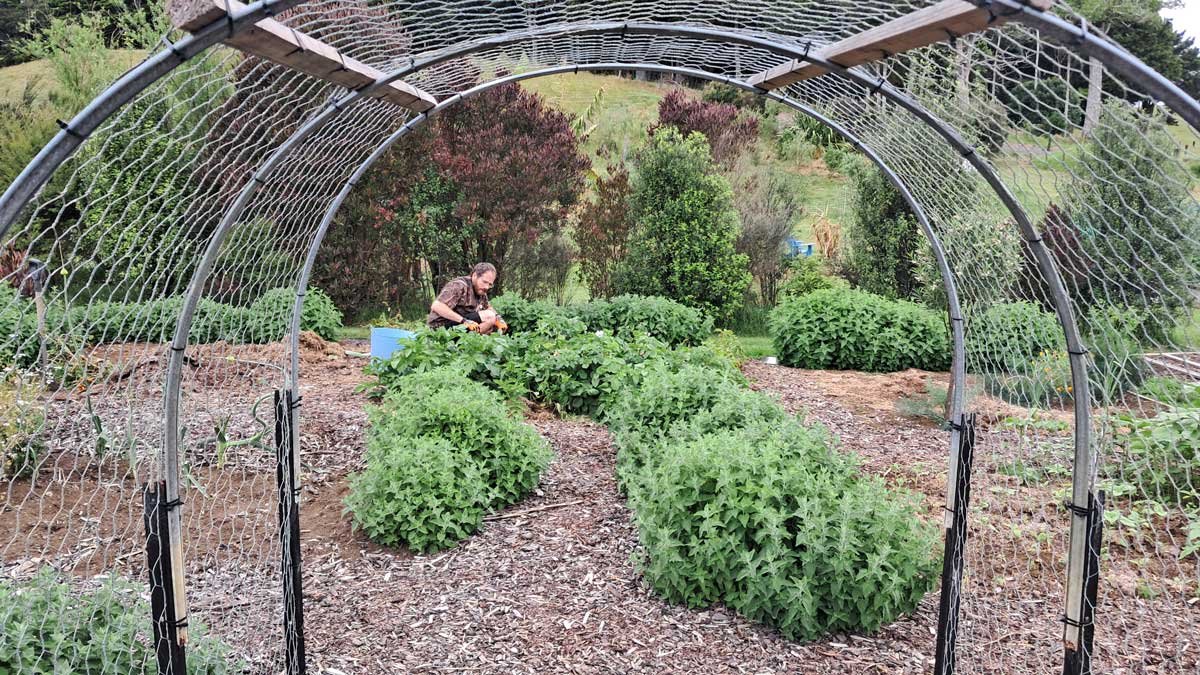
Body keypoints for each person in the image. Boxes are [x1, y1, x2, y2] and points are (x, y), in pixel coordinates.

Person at [426, 262, 506, 334]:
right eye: (484, 282)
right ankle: (471, 340)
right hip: (440, 327)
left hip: (459, 324)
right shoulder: (458, 285)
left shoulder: (481, 290)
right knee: (489, 317)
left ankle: (471, 341)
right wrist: (464, 321)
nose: (487, 287)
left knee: (493, 323)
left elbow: (488, 307)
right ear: (475, 275)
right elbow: (436, 306)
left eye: (490, 284)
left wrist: (499, 318)